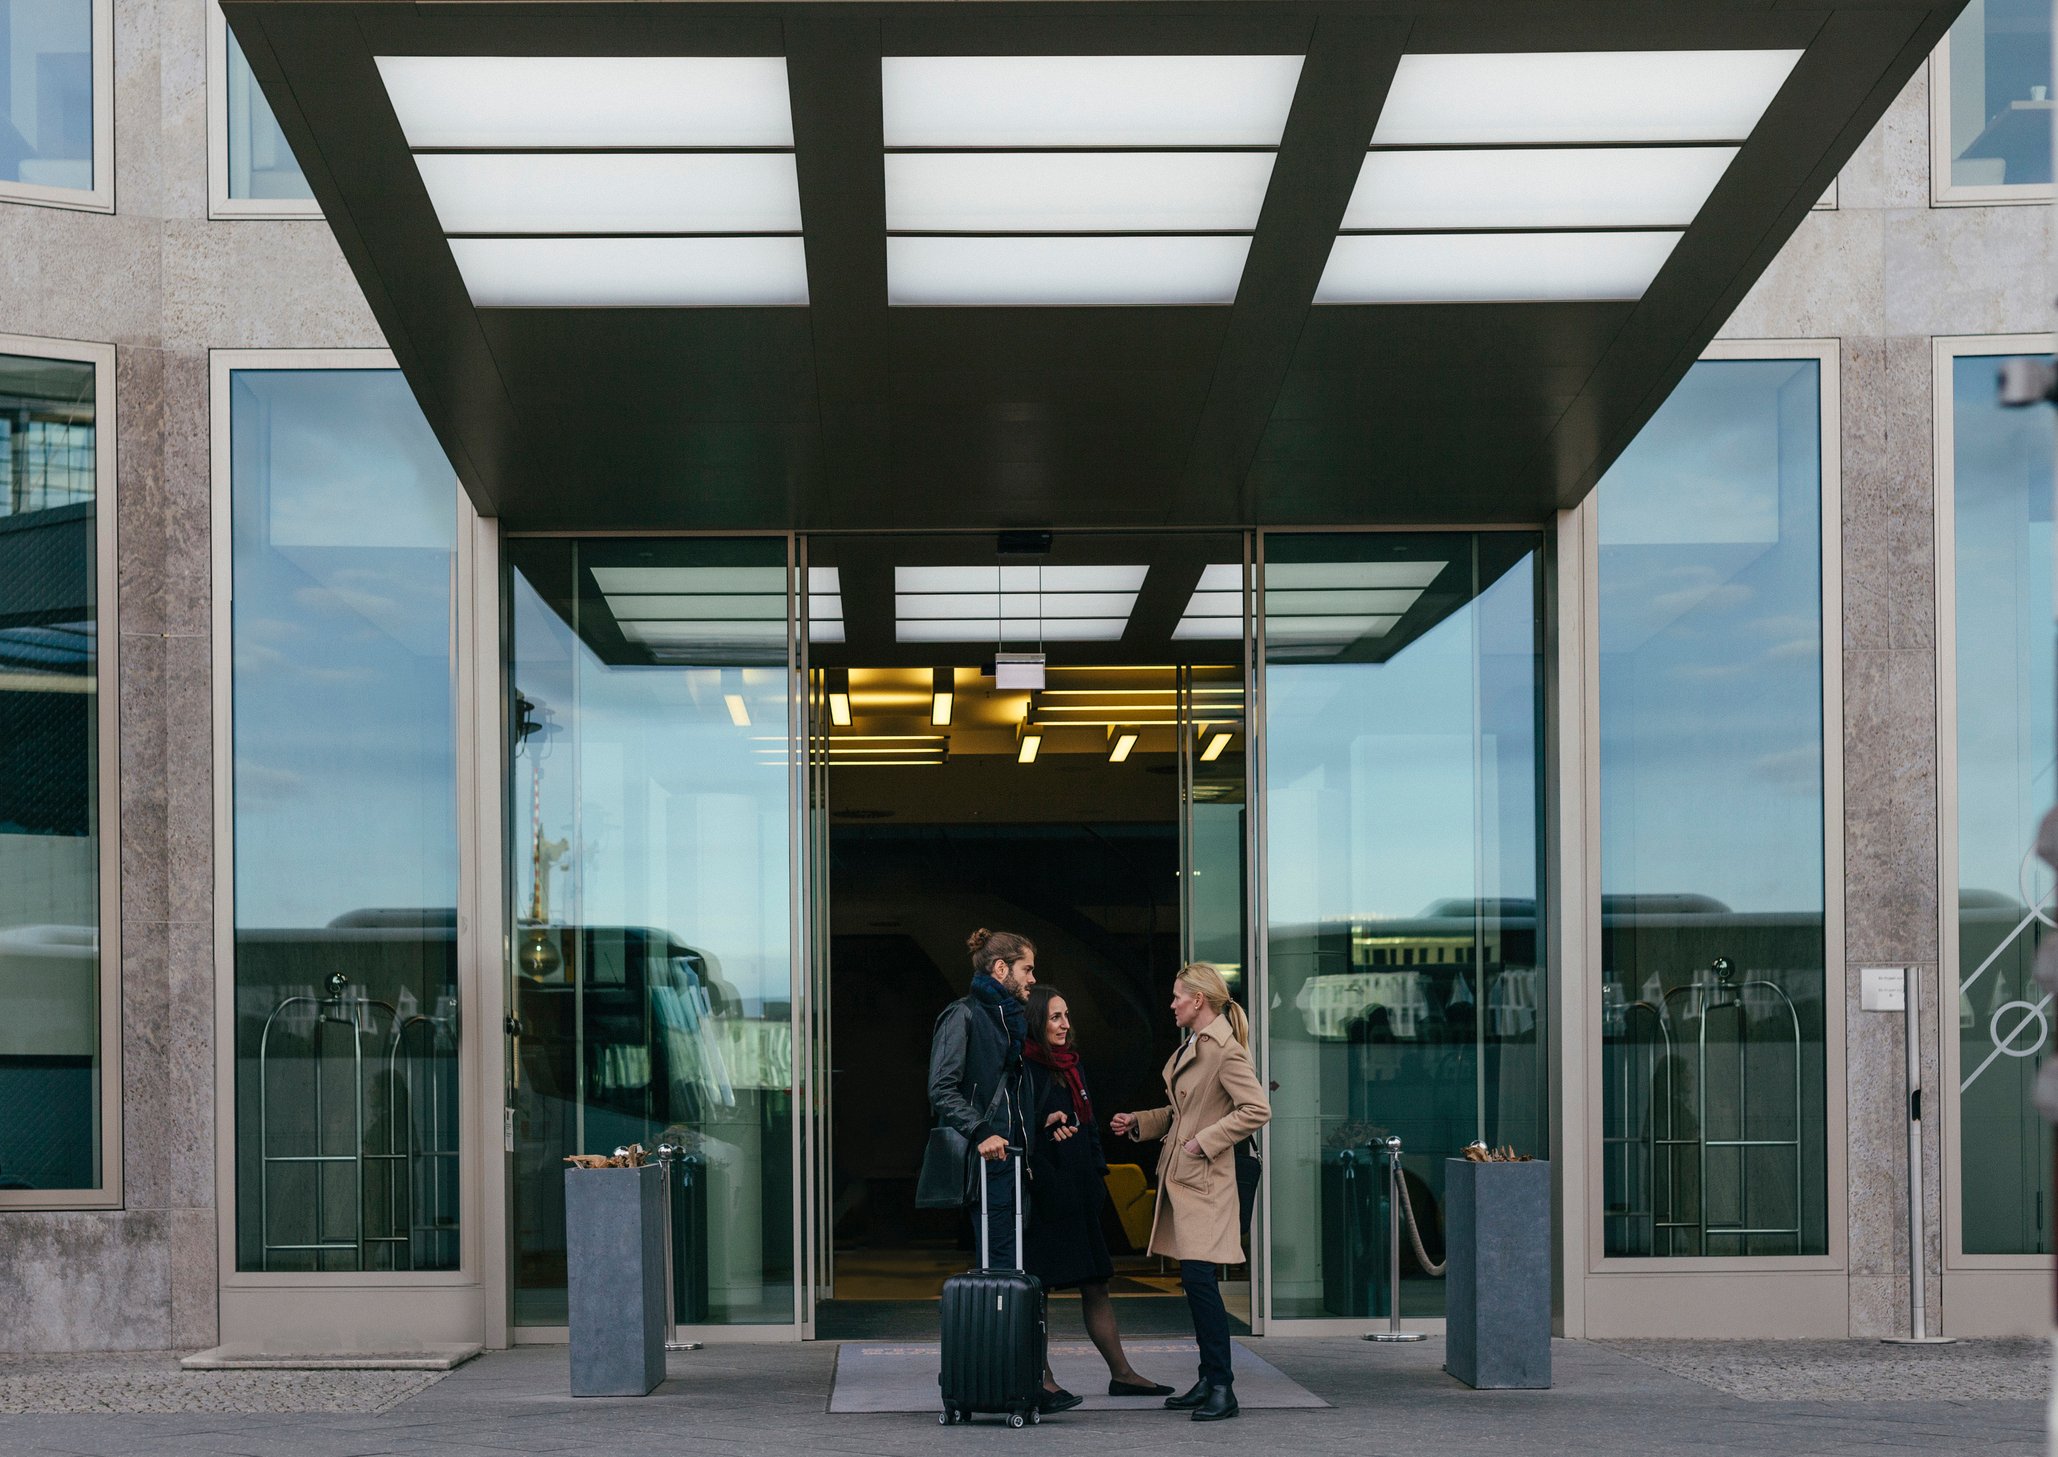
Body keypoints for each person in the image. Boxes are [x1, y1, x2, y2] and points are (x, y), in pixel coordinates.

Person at [1111, 962, 1270, 1423]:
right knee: (1197, 1283)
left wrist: (1205, 1140)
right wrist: (1140, 1121)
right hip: (1189, 1178)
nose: (1172, 1004)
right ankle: (1208, 1379)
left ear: (1198, 1000)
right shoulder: (1195, 1045)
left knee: (1200, 1284)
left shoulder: (1224, 1051)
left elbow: (1257, 1108)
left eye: (1178, 996)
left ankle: (1222, 1387)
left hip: (1208, 1182)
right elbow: (1184, 1112)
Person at [1021, 985, 1173, 1409]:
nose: (1065, 1024)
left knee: (1096, 1284)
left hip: (1081, 1190)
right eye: (1055, 1017)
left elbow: (1089, 1127)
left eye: (1066, 1015)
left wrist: (1097, 1178)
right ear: (1036, 1021)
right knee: (1038, 1290)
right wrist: (1043, 1130)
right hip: (1045, 1194)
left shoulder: (1073, 1065)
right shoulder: (1022, 1067)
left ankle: (1122, 1374)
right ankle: (1042, 1379)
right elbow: (1018, 1131)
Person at [926, 928, 1038, 1279]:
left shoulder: (1009, 1021)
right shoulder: (963, 1014)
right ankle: (1000, 1317)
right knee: (1000, 1267)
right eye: (1027, 969)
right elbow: (941, 1088)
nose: (1032, 979)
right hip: (989, 1161)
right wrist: (982, 1131)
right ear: (1001, 968)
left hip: (1015, 1161)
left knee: (1014, 1266)